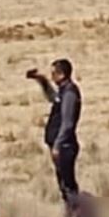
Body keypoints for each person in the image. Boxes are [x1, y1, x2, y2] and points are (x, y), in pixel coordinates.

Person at [26, 60, 82, 201]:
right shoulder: (64, 91)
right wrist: (41, 81)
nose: (52, 76)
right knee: (63, 186)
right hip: (61, 146)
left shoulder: (70, 93)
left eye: (53, 73)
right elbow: (53, 97)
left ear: (62, 74)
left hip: (65, 146)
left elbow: (68, 123)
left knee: (68, 187)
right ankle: (72, 215)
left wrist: (58, 145)